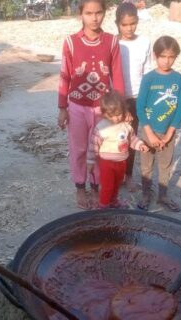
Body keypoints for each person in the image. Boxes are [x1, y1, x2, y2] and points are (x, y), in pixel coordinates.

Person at [58, 0, 125, 209]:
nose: (94, 18)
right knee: (78, 148)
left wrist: (121, 108)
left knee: (99, 149)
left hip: (102, 109)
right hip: (77, 106)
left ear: (105, 13)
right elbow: (65, 77)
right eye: (89, 13)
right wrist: (62, 108)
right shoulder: (70, 42)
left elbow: (117, 75)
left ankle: (97, 188)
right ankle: (80, 187)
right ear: (81, 15)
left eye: (98, 12)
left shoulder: (112, 41)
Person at [136, 36, 181, 212]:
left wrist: (169, 134)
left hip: (168, 133)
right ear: (155, 55)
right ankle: (146, 194)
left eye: (171, 57)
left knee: (165, 165)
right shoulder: (149, 78)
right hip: (148, 130)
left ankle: (163, 195)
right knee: (146, 165)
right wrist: (148, 133)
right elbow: (140, 106)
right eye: (163, 56)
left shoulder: (179, 80)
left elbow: (180, 109)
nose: (167, 60)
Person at [115, 1, 153, 192]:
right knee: (115, 139)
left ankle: (128, 176)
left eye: (133, 23)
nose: (129, 28)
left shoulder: (144, 42)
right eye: (124, 24)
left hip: (138, 98)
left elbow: (148, 71)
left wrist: (147, 99)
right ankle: (115, 174)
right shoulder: (113, 43)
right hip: (117, 100)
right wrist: (117, 103)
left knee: (131, 139)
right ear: (117, 24)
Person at [87, 90, 148, 208]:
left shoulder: (126, 126)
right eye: (111, 115)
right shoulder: (101, 128)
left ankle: (114, 201)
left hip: (121, 162)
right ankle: (103, 206)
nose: (115, 118)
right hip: (106, 163)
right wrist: (90, 161)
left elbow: (132, 139)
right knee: (108, 186)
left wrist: (140, 145)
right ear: (104, 114)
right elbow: (93, 145)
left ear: (124, 110)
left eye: (118, 114)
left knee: (117, 184)